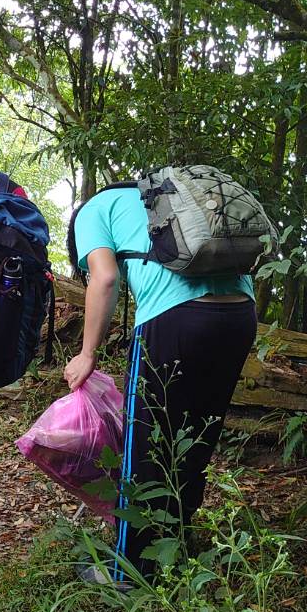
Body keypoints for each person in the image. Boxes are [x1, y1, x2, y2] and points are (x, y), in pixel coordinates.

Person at [65, 187, 258, 584]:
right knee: (196, 435)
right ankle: (175, 550)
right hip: (240, 315)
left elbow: (104, 278)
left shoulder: (92, 212)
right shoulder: (164, 195)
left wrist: (87, 353)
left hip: (173, 318)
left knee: (145, 445)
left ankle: (129, 572)